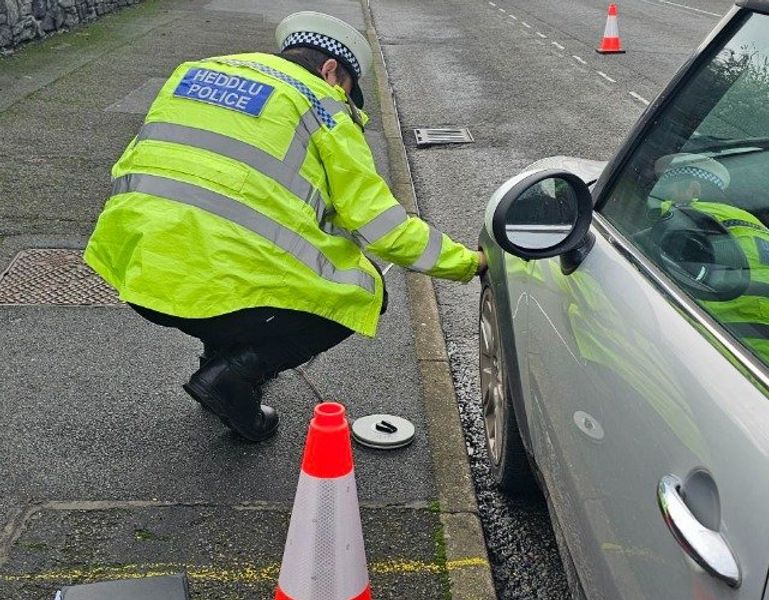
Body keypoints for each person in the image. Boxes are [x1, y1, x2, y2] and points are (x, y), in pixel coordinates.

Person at [83, 11, 486, 442]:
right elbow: (383, 228)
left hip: (137, 269)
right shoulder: (323, 104)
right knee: (363, 291)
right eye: (349, 90)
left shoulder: (194, 73)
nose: (347, 101)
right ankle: (233, 377)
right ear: (331, 70)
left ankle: (218, 363)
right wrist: (469, 263)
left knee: (222, 259)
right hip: (214, 290)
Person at [644, 153, 769, 414]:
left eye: (668, 191)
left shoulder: (691, 219)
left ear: (692, 190)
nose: (662, 199)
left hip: (736, 376)